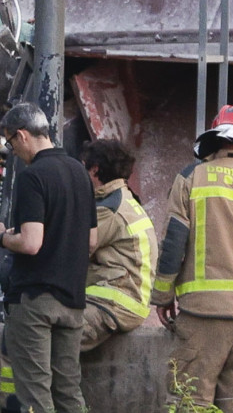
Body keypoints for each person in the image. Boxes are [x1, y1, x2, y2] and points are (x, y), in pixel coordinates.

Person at [151, 104, 233, 413]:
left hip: (204, 310)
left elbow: (173, 242)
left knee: (190, 398)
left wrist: (163, 295)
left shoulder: (192, 177)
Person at [0, 102, 97, 413]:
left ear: (22, 135)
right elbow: (91, 241)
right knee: (69, 391)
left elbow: (31, 243)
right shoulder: (79, 173)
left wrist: (1, 236)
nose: (11, 150)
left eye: (9, 142)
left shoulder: (33, 177)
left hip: (35, 300)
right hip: (73, 300)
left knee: (35, 394)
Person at [76, 138, 157, 352]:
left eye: (82, 166)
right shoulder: (122, 199)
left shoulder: (108, 209)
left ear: (94, 170)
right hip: (124, 299)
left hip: (114, 300)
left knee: (49, 340)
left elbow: (73, 249)